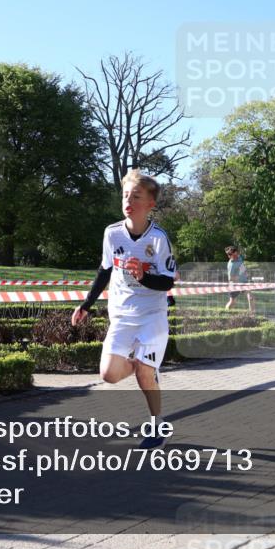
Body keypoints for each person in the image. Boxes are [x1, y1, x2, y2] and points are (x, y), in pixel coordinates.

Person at [71, 169, 176, 450]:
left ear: (150, 204)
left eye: (136, 196)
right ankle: (146, 367)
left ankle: (157, 425)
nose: (128, 199)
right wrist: (86, 305)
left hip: (152, 316)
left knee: (143, 371)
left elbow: (167, 281)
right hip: (121, 315)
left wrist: (143, 276)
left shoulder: (158, 239)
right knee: (108, 375)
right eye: (125, 195)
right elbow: (104, 270)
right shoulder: (112, 233)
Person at [224, 246, 255, 314]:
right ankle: (225, 312)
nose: (231, 256)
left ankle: (252, 315)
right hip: (235, 285)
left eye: (235, 254)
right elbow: (230, 278)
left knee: (251, 297)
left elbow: (242, 266)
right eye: (230, 255)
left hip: (244, 283)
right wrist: (239, 275)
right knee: (233, 302)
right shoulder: (231, 265)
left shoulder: (239, 257)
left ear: (236, 252)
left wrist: (245, 271)